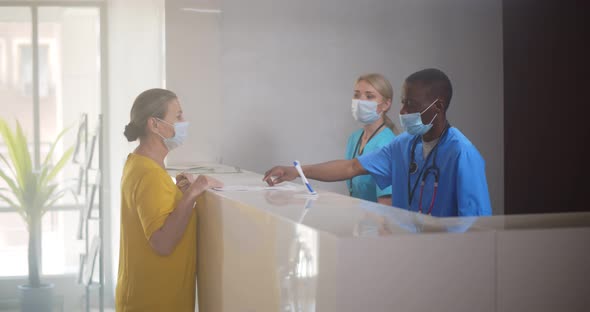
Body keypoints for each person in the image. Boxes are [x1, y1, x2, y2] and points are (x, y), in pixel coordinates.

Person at [263, 68, 491, 217]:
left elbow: (477, 226)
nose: (403, 111)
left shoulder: (462, 154)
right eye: (403, 102)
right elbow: (352, 167)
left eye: (411, 104)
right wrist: (298, 171)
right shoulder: (403, 145)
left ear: (438, 106)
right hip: (404, 250)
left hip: (445, 258)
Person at [116, 88, 223, 311]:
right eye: (178, 116)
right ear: (154, 125)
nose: (184, 122)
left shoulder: (139, 163)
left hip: (152, 297)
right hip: (154, 301)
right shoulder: (149, 173)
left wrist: (181, 195)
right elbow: (162, 243)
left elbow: (160, 215)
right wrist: (194, 192)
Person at [347, 73, 399, 205]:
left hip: (377, 221)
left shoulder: (388, 143)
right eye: (357, 95)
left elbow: (386, 206)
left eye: (369, 96)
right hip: (357, 218)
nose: (361, 101)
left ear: (386, 104)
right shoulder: (354, 138)